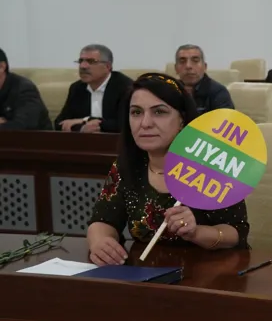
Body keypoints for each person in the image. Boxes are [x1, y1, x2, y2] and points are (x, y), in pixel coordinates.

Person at [86, 74, 249, 265]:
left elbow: (236, 233)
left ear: (182, 120)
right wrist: (99, 241)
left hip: (211, 271)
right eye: (136, 112)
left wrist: (196, 233)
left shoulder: (212, 165)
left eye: (159, 112)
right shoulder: (127, 166)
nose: (145, 123)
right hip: (146, 273)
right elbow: (103, 219)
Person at [55, 44, 133, 133]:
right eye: (81, 61)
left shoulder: (125, 87)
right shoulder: (77, 88)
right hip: (85, 141)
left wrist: (85, 120)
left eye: (91, 61)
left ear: (107, 66)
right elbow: (60, 123)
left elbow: (126, 124)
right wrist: (81, 128)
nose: (83, 66)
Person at [0, 48, 52, 131]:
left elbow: (22, 126)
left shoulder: (24, 88)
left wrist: (6, 124)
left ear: (2, 67)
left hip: (36, 138)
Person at [173, 44, 234, 114]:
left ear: (204, 67)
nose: (188, 66)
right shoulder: (170, 90)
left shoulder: (218, 92)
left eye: (195, 61)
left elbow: (225, 119)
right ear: (176, 68)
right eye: (182, 61)